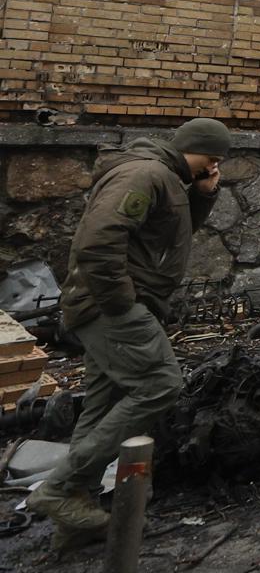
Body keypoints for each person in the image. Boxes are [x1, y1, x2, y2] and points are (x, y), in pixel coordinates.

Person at [25, 118, 229, 545]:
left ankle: (75, 514)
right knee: (160, 383)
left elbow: (170, 236)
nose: (213, 167)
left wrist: (204, 197)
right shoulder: (145, 173)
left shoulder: (168, 178)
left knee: (105, 402)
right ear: (198, 148)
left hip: (116, 305)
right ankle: (60, 488)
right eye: (212, 158)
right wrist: (121, 305)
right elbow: (99, 242)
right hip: (111, 306)